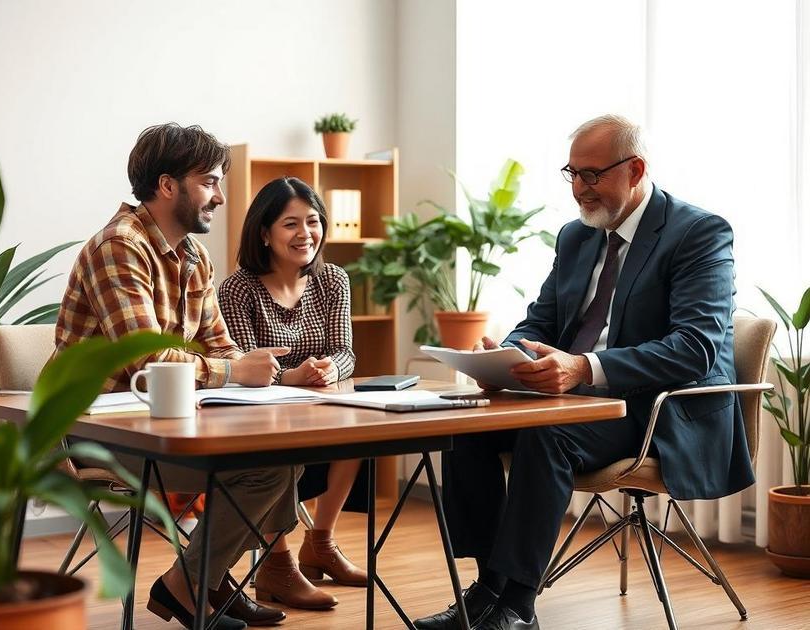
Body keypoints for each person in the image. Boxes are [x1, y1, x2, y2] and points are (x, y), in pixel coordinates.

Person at [413, 114, 754, 630]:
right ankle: (488, 588)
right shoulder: (577, 236)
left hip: (658, 410)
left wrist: (584, 367)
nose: (578, 188)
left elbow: (695, 348)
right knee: (470, 425)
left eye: (591, 175)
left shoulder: (698, 232)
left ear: (635, 169)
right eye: (571, 173)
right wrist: (503, 359)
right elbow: (542, 319)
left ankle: (518, 605)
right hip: (579, 399)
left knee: (545, 433)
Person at [55, 123, 299, 629]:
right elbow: (147, 364)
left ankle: (205, 579)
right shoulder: (118, 247)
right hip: (98, 432)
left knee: (285, 454)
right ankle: (189, 587)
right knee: (268, 469)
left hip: (168, 422)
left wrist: (245, 370)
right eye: (209, 181)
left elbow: (218, 345)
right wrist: (234, 371)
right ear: (168, 186)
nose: (219, 196)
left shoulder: (194, 257)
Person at [218, 176, 366, 611]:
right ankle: (277, 564)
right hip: (258, 412)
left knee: (359, 426)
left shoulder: (333, 279)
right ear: (264, 232)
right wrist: (288, 378)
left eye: (314, 221)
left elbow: (345, 351)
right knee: (270, 449)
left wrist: (326, 369)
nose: (306, 234)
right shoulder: (238, 288)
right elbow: (243, 363)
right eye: (290, 224)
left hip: (317, 404)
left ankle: (321, 542)